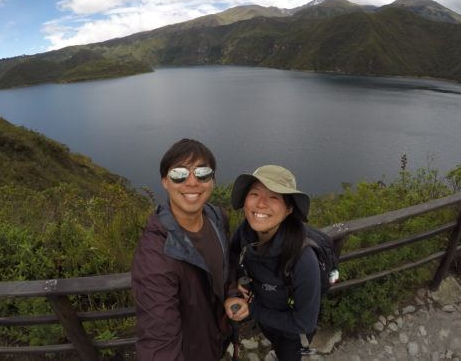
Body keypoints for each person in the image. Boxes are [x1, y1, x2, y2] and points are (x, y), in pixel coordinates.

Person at [131, 138, 230, 361]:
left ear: (212, 180)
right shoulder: (155, 255)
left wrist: (232, 293)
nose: (192, 182)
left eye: (203, 173)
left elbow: (225, 265)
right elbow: (158, 338)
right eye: (179, 174)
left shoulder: (217, 217)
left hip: (216, 338)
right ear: (165, 181)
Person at [224, 165, 321, 360]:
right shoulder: (246, 232)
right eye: (254, 194)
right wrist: (237, 283)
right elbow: (233, 256)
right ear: (245, 201)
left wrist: (253, 310)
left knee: (287, 354)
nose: (261, 204)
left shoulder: (303, 259)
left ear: (288, 210)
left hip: (292, 333)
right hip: (267, 319)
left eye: (274, 197)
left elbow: (305, 323)